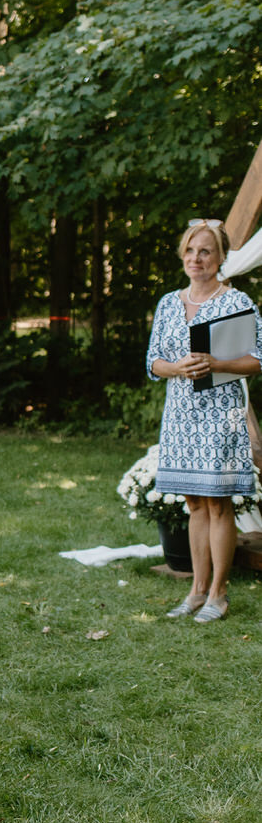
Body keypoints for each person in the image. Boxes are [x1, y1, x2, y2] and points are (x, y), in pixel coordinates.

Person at [147, 217, 262, 622]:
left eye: (206, 251)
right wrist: (176, 368)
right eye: (191, 250)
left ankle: (219, 593)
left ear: (220, 258)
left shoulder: (237, 302)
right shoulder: (167, 303)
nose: (197, 258)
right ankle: (196, 590)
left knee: (216, 503)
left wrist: (217, 363)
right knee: (194, 503)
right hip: (180, 416)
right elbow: (153, 362)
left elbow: (256, 360)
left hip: (221, 414)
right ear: (183, 255)